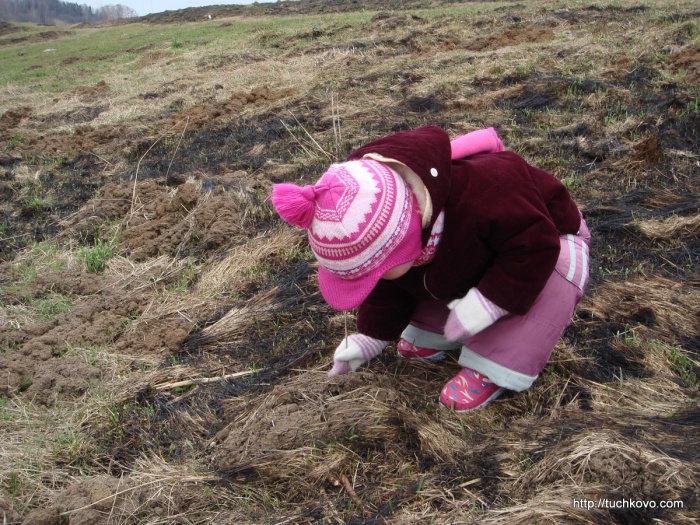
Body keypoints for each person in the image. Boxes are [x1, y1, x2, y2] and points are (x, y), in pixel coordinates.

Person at [270, 125, 590, 412]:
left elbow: (534, 248)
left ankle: (492, 364)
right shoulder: (405, 227)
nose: (376, 279)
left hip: (545, 243)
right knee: (418, 275)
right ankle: (436, 327)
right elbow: (387, 286)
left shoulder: (490, 192)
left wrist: (488, 304)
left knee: (554, 272)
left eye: (376, 271)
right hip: (466, 256)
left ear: (406, 242)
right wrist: (371, 336)